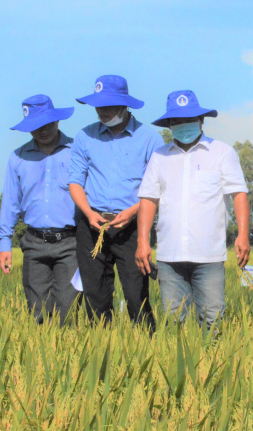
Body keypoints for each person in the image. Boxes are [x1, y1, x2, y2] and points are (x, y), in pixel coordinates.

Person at [135, 90, 250, 328]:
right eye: (176, 122)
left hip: (209, 255)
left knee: (212, 320)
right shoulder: (159, 156)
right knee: (172, 322)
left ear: (201, 121)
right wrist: (142, 241)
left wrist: (243, 234)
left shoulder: (222, 153)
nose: (182, 126)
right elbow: (148, 200)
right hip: (170, 256)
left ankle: (212, 362)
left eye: (188, 120)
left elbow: (238, 194)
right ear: (169, 125)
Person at [68, 75, 163, 330]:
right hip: (92, 225)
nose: (103, 111)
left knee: (136, 295)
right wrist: (88, 213)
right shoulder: (85, 137)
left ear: (125, 105)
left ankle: (148, 346)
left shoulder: (149, 139)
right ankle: (101, 346)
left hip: (132, 227)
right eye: (99, 106)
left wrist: (133, 212)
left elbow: (157, 187)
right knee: (95, 294)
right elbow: (75, 182)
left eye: (109, 106)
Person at [0, 94, 79, 326]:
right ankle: (41, 357)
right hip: (34, 242)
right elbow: (10, 203)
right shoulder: (18, 158)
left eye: (47, 124)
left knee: (68, 310)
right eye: (35, 126)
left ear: (57, 121)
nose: (42, 131)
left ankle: (68, 357)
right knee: (37, 312)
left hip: (70, 242)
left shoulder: (77, 151)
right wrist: (5, 243)